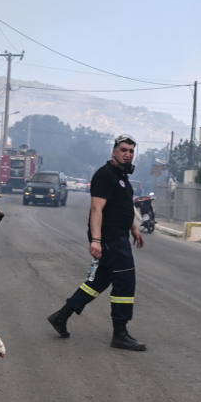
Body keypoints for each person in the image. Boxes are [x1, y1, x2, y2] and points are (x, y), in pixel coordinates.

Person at [47, 134, 147, 351]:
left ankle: (61, 316)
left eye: (131, 151)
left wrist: (134, 228)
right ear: (114, 152)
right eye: (123, 150)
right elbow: (96, 209)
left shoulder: (122, 177)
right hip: (110, 237)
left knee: (98, 282)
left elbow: (122, 207)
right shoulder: (105, 175)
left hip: (119, 233)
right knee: (125, 281)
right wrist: (96, 240)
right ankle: (120, 333)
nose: (127, 154)